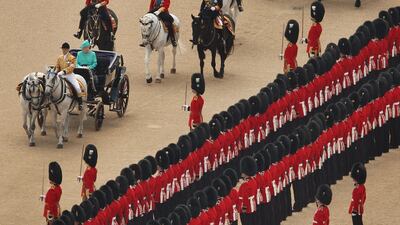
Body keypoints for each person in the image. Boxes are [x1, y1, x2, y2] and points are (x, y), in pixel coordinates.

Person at [55, 42, 83, 110]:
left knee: (77, 88)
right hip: (60, 75)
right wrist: (56, 72)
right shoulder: (59, 58)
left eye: (65, 49)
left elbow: (72, 67)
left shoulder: (72, 58)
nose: (63, 51)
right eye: (63, 49)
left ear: (68, 50)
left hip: (69, 75)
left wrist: (64, 71)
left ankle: (80, 103)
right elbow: (57, 66)